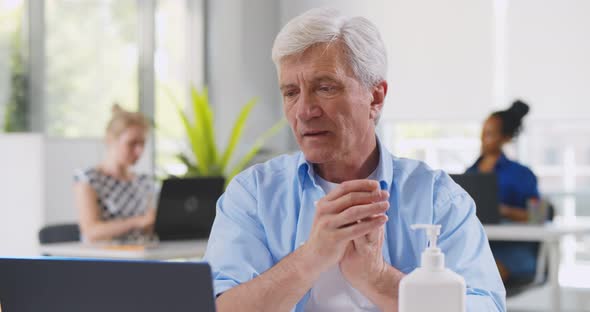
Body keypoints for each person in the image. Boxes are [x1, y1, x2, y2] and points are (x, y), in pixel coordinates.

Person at [204, 8, 505, 312]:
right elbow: (220, 307)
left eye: (325, 87)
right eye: (291, 92)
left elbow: (486, 306)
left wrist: (377, 278)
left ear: (376, 97)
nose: (304, 110)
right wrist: (311, 258)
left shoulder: (437, 198)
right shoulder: (253, 194)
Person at [467, 100, 540, 283]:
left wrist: (505, 211)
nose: (484, 139)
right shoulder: (470, 172)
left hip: (514, 250)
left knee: (483, 272)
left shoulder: (522, 174)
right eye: (483, 133)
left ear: (505, 138)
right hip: (480, 247)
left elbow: (539, 216)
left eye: (490, 134)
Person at [74, 104, 156, 242]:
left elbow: (149, 228)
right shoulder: (89, 179)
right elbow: (90, 231)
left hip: (144, 255)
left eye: (142, 144)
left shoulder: (143, 181)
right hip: (107, 258)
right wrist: (137, 222)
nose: (139, 151)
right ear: (110, 140)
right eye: (132, 143)